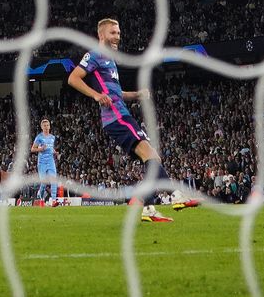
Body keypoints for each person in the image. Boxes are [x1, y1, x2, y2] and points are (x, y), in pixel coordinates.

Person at [66, 18, 199, 222]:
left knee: (152, 159)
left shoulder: (110, 60)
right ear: (101, 35)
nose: (117, 36)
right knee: (150, 155)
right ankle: (175, 195)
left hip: (120, 114)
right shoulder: (94, 55)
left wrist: (136, 94)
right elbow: (73, 78)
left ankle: (148, 209)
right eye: (113, 33)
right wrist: (95, 95)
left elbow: (116, 93)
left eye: (118, 32)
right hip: (117, 117)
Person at [31, 118, 58, 204]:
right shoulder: (39, 137)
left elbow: (50, 148)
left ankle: (54, 200)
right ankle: (41, 197)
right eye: (44, 126)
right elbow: (32, 149)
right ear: (42, 127)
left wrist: (54, 152)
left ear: (49, 126)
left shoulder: (52, 137)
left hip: (50, 161)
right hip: (42, 163)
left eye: (47, 125)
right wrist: (41, 148)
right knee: (43, 183)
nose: (46, 127)